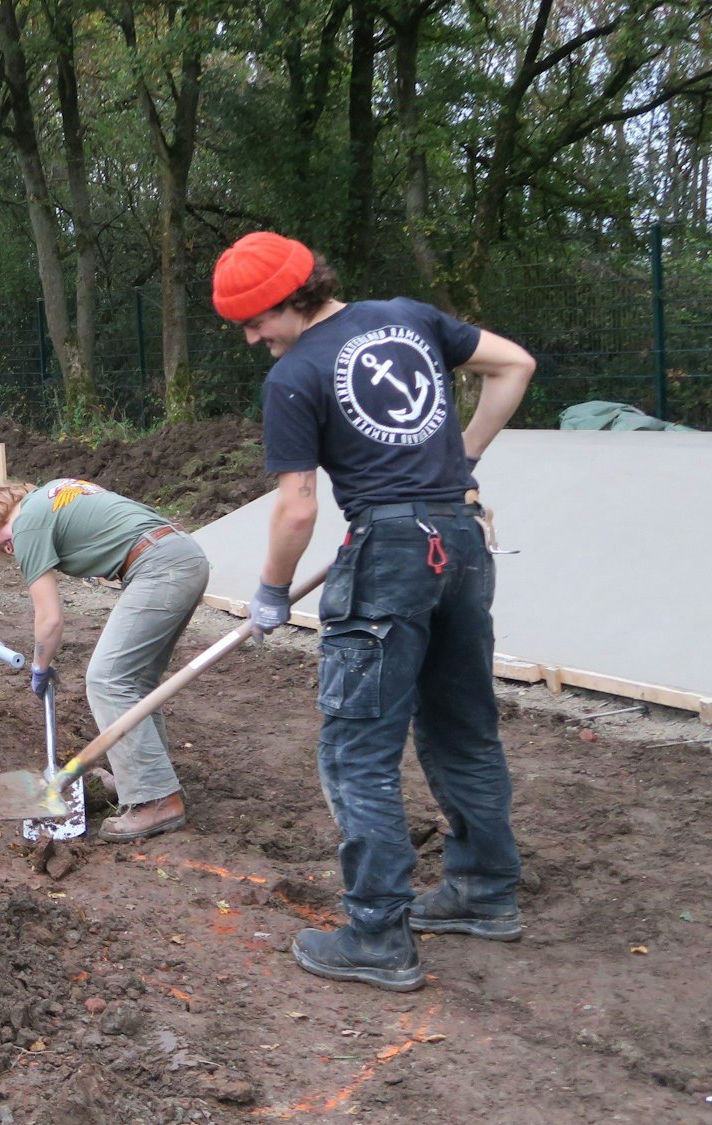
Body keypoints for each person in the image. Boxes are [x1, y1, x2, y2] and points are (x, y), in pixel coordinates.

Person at [215, 231, 536, 992]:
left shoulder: (295, 375)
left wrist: (269, 590)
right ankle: (485, 891)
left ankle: (377, 934)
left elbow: (297, 508)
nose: (251, 337)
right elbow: (514, 363)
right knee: (463, 726)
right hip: (460, 541)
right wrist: (464, 458)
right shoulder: (409, 315)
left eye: (255, 319)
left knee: (357, 749)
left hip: (388, 558)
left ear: (288, 298)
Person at [0, 480, 211, 841]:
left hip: (158, 566)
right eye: (1, 548)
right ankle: (148, 782)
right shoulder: (52, 496)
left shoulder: (27, 522)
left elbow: (49, 617)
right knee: (136, 683)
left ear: (1, 514)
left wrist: (39, 666)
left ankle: (155, 799)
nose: (9, 549)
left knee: (107, 680)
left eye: (2, 539)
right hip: (180, 555)